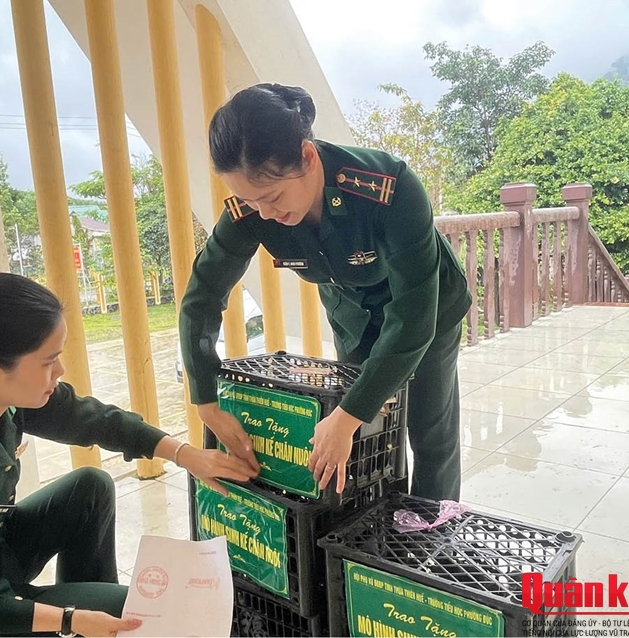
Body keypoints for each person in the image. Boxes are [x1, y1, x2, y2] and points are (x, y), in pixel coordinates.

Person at [0, 273, 257, 637]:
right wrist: (70, 620)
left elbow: (89, 419)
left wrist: (183, 454)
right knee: (133, 613)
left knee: (90, 487)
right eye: (48, 362)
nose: (60, 372)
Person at [179, 83, 471, 501]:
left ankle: (432, 526)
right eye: (250, 200)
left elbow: (412, 318)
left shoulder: (390, 188)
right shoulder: (254, 208)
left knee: (429, 430)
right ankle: (376, 520)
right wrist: (206, 399)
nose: (265, 214)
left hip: (428, 307)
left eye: (272, 197)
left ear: (308, 157)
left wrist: (348, 416)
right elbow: (201, 298)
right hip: (353, 313)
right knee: (367, 436)